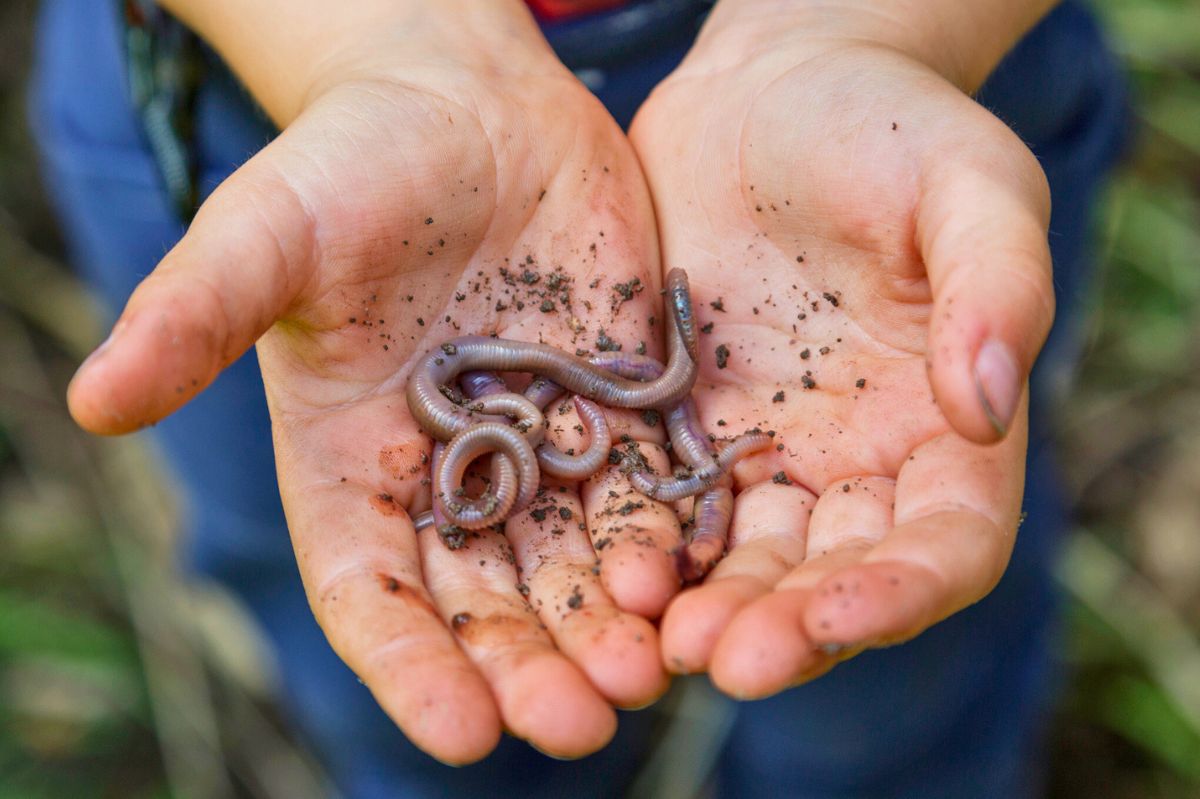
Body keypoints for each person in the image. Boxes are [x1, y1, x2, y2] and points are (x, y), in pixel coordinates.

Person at [30, 0, 1127, 795]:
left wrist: (867, 27)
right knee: (372, 637)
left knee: (890, 684)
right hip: (261, 81)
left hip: (893, 74)